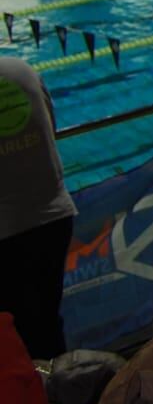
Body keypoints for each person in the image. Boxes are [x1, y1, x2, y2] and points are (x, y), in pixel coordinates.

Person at [0, 56, 74, 360]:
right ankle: (55, 400)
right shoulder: (24, 70)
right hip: (54, 218)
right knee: (45, 324)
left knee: (10, 338)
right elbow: (51, 132)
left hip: (6, 232)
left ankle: (27, 403)